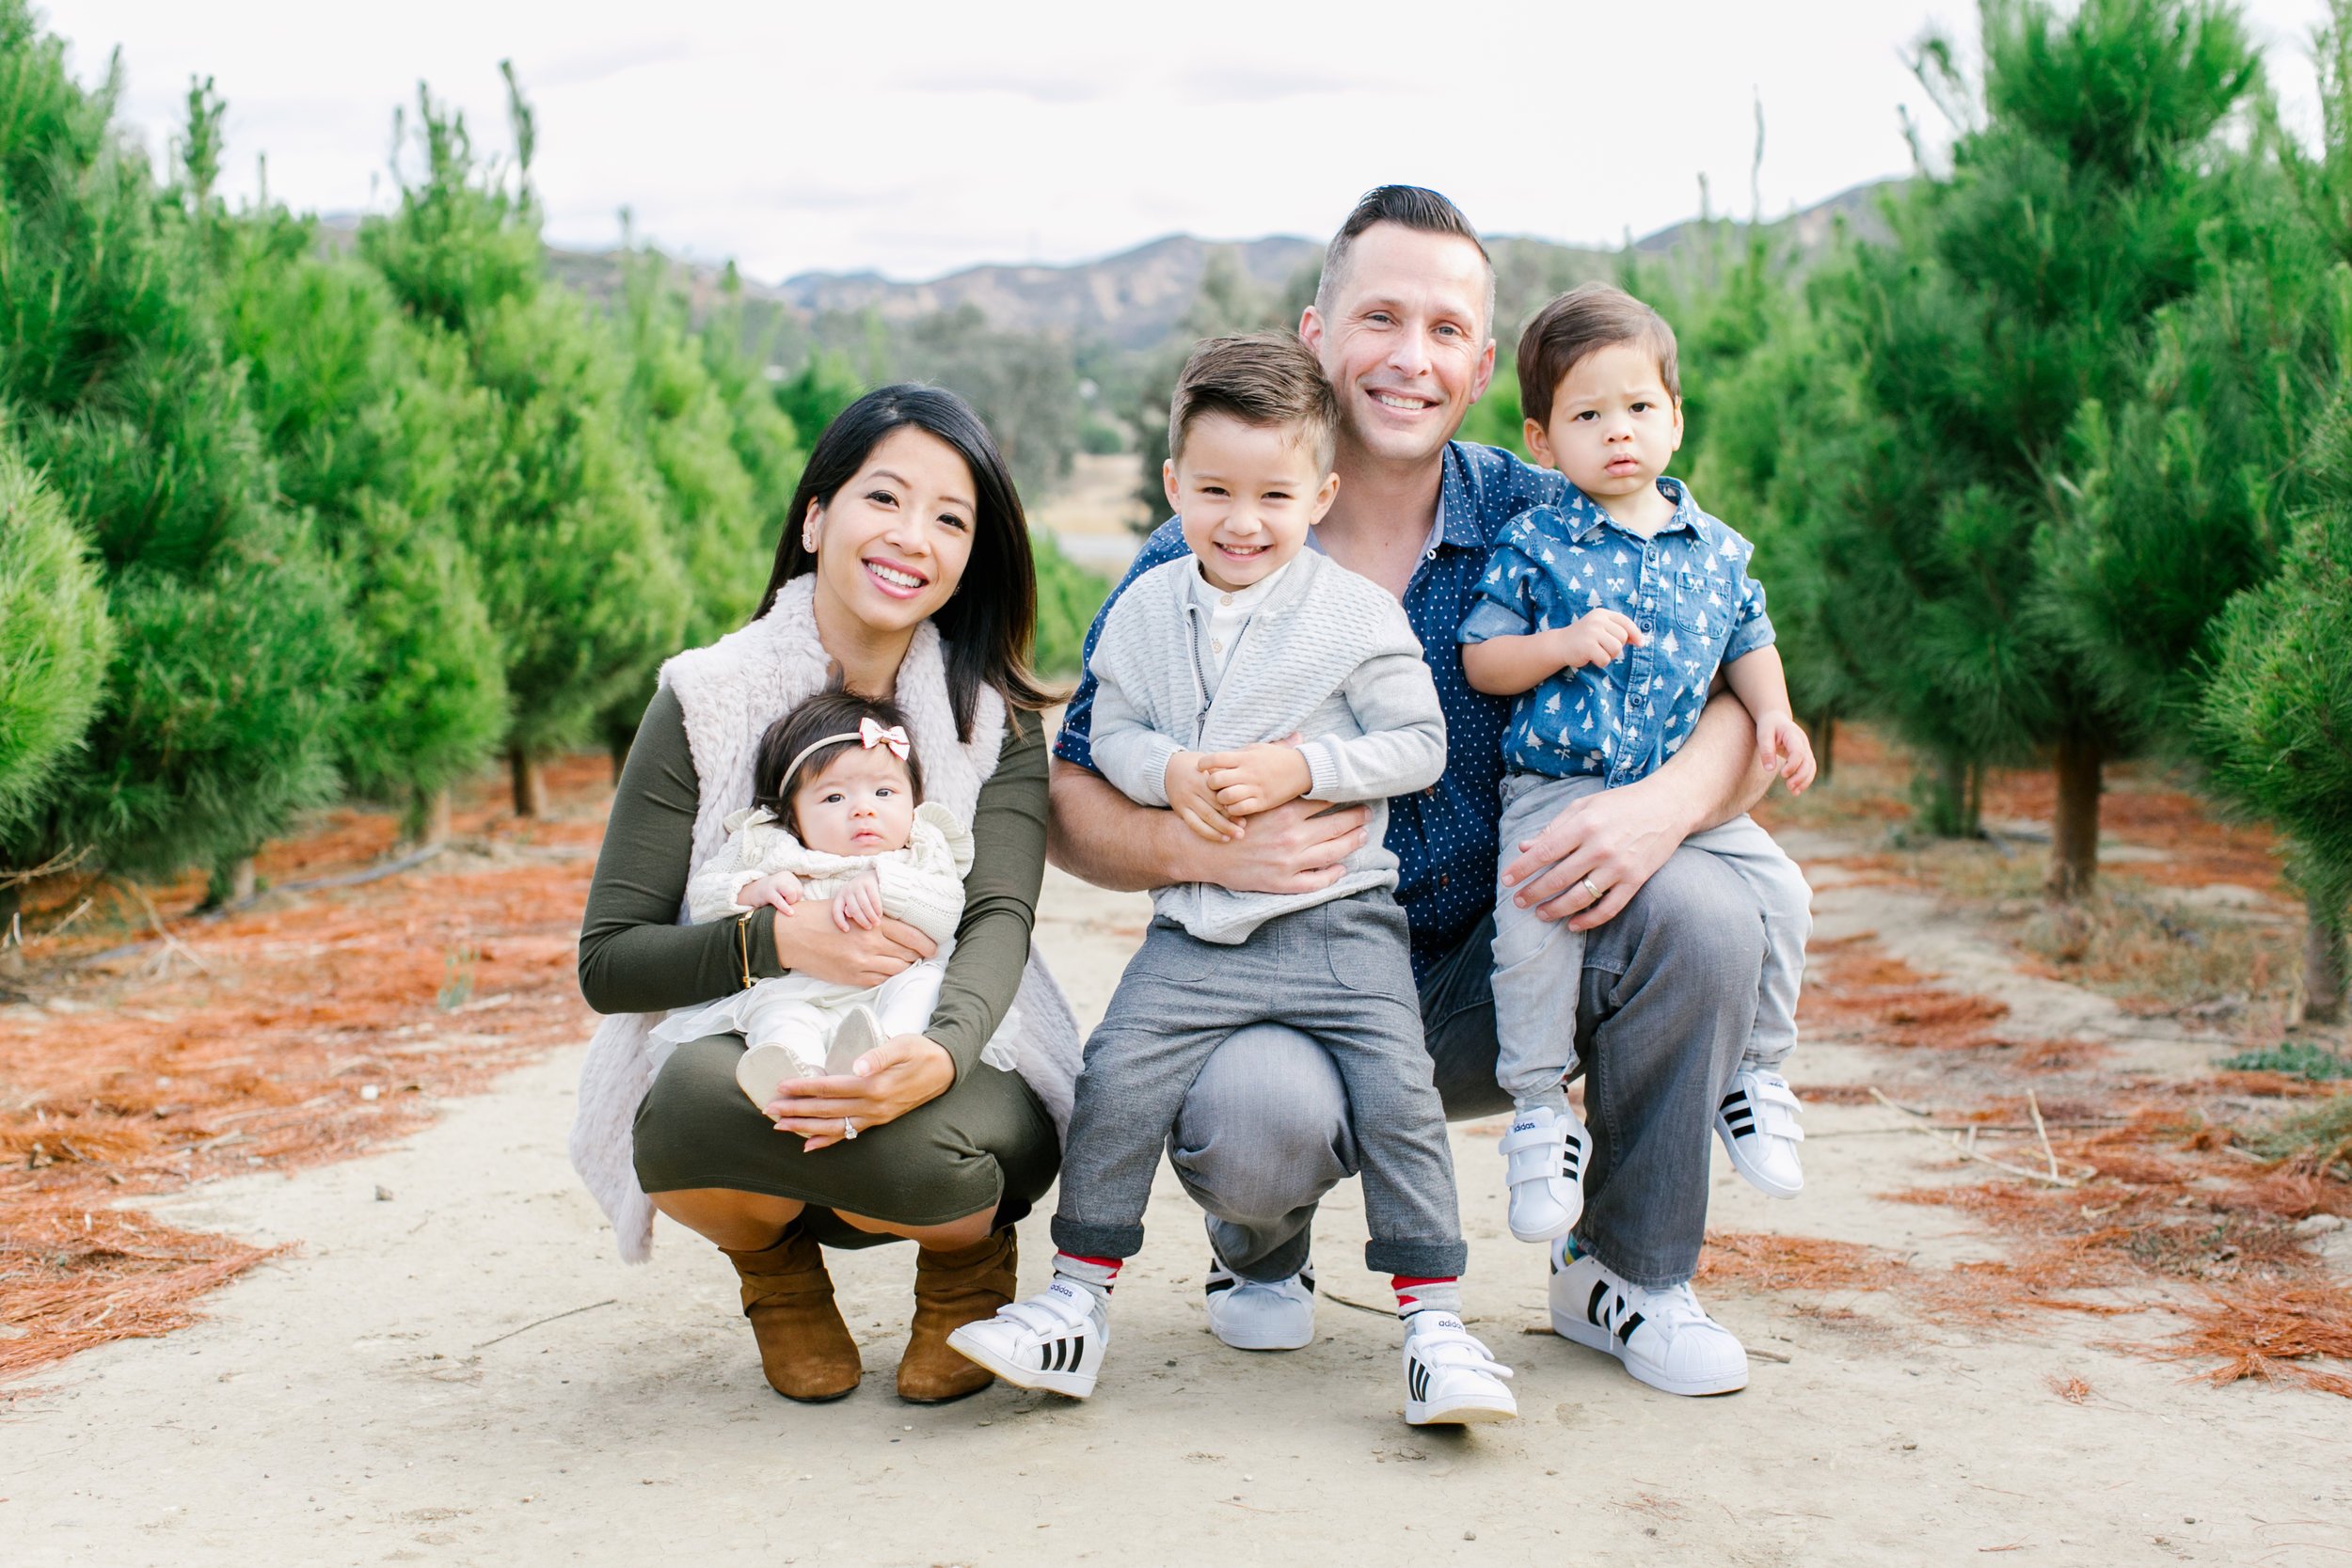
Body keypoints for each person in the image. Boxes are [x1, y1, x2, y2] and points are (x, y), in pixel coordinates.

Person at [1049, 186, 1781, 1400]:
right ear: (1314, 335)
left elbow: (1741, 702)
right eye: (1378, 316)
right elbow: (1074, 784)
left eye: (1446, 329)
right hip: (1293, 969)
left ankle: (1623, 1274)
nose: (1409, 356)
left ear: (1484, 364)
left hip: (1509, 966)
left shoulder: (1555, 517)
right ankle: (1260, 1249)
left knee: (1703, 910)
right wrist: (1205, 849)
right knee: (1253, 1120)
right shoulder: (1209, 541)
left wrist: (1664, 805)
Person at [947, 333, 1516, 1426]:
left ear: (1321, 494)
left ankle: (1433, 1324)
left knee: (1399, 1096)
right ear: (1173, 486)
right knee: (1117, 1074)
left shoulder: (1356, 613)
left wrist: (1304, 764)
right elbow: (1105, 726)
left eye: (1272, 494)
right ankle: (1077, 1299)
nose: (1241, 520)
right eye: (1213, 490)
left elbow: (1419, 745)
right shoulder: (1153, 606)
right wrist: (1163, 771)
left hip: (1341, 919)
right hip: (1200, 928)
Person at [571, 386, 1083, 1408]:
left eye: (950, 518)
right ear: (815, 517)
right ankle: (776, 1275)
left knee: (934, 1143)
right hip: (763, 1024)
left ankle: (963, 1270)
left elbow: (998, 919)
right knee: (685, 1110)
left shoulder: (994, 719)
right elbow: (610, 960)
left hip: (943, 1021)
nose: (911, 537)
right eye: (883, 498)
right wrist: (778, 941)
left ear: (972, 554)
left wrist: (937, 1050)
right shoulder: (706, 698)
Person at [1463, 282, 1818, 1252]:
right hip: (1560, 782)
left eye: (1637, 408)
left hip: (1680, 795)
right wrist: (1562, 643)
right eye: (1586, 415)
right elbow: (1482, 659)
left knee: (1782, 898)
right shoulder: (1535, 543)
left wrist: (1776, 717)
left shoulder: (1714, 548)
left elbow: (1751, 641)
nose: (1616, 433)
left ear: (1673, 417)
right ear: (1542, 440)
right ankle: (1540, 1110)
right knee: (1534, 925)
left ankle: (1754, 1070)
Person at [650, 689, 983, 1111]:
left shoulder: (920, 847)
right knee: (778, 1014)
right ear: (791, 815)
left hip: (889, 988)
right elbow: (703, 899)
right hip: (798, 990)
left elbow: (947, 909)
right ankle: (794, 1074)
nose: (864, 810)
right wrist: (753, 891)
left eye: (884, 793)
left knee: (927, 984)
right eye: (834, 798)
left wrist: (885, 883)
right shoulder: (769, 846)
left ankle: (882, 1053)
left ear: (913, 801)